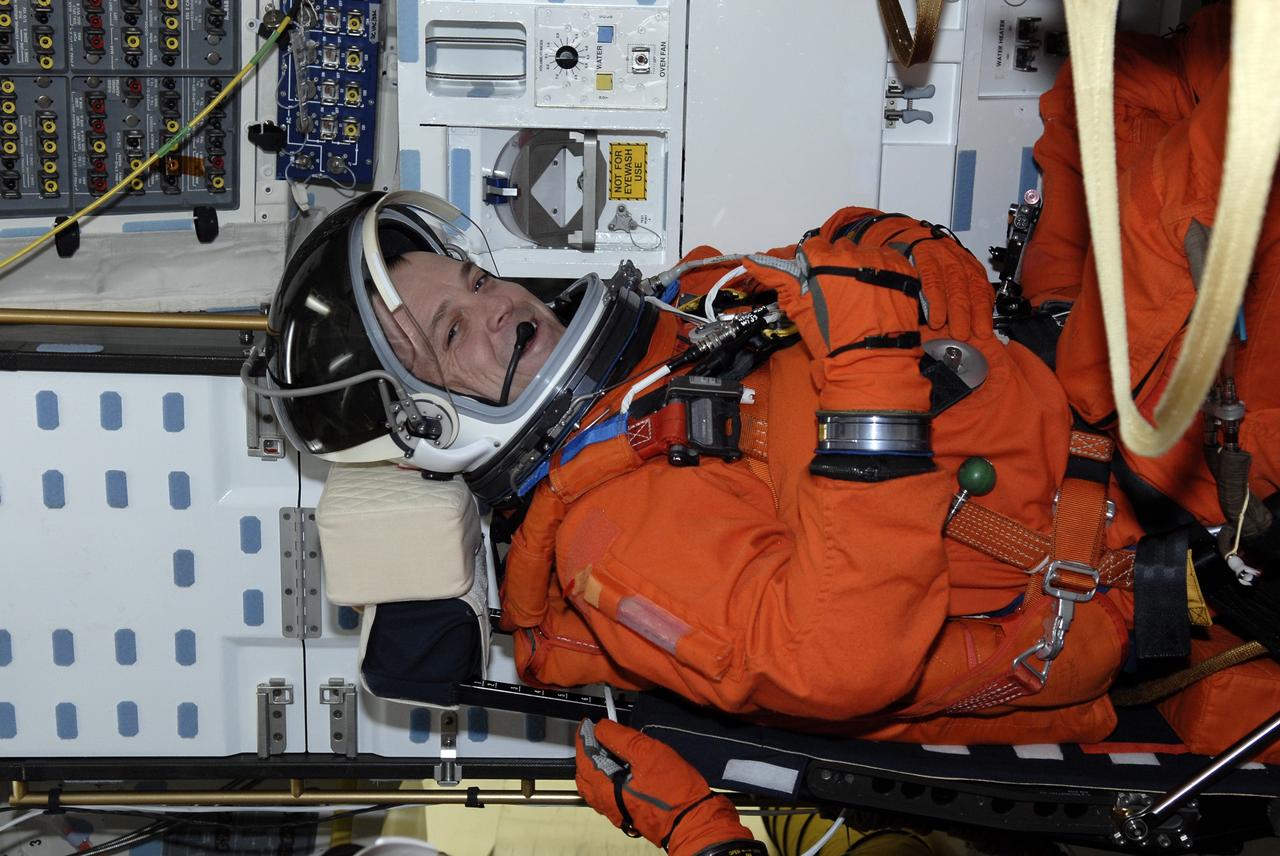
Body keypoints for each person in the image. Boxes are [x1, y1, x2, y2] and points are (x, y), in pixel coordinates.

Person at [248, 181, 1156, 747]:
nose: (499, 305)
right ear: (436, 422)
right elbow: (836, 659)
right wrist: (878, 375)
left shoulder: (681, 312)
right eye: (453, 330)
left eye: (476, 281)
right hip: (1126, 547)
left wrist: (904, 274)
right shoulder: (609, 534)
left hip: (1094, 401)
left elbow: (871, 252)